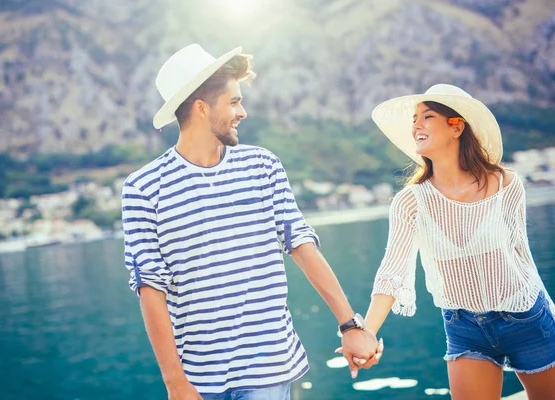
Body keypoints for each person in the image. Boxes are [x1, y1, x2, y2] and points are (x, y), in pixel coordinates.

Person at [121, 43, 381, 399]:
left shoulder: (262, 166)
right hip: (197, 382)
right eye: (233, 101)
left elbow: (301, 244)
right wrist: (175, 383)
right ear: (200, 108)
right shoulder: (142, 189)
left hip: (269, 370)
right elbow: (150, 287)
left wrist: (350, 324)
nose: (242, 111)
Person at [359, 84, 555, 399]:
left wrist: (550, 310)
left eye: (427, 116)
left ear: (457, 127)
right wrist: (367, 333)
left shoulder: (506, 184)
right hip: (466, 328)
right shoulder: (411, 202)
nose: (415, 126)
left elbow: (522, 257)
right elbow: (392, 272)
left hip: (528, 318)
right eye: (413, 119)